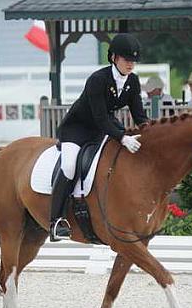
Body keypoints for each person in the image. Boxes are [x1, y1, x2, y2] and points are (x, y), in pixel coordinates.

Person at [50, 33, 149, 241]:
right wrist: (122, 137)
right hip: (78, 129)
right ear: (114, 58)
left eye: (133, 61)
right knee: (69, 166)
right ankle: (56, 220)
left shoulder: (133, 81)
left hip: (103, 128)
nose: (130, 64)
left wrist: (150, 133)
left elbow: (139, 114)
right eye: (126, 59)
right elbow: (100, 116)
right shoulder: (98, 79)